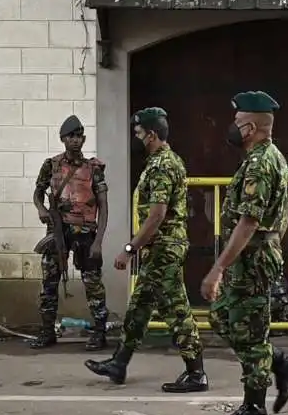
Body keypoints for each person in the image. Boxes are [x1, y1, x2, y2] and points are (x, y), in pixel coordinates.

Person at [201, 91, 288, 415]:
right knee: (222, 317)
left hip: (256, 257)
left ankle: (253, 410)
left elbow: (249, 222)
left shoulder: (262, 163)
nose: (231, 127)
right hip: (252, 256)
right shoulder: (258, 158)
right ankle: (280, 363)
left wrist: (217, 267)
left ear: (249, 127)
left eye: (235, 122)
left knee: (251, 329)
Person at [84, 107, 208, 393]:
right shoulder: (163, 161)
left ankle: (196, 372)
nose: (137, 138)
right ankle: (119, 363)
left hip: (165, 247)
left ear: (152, 134)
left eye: (139, 133)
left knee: (176, 309)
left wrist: (129, 248)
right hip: (162, 247)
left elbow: (157, 214)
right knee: (139, 307)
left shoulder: (163, 164)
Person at [30, 115, 109, 351]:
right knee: (49, 283)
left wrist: (99, 241)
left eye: (78, 136)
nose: (75, 140)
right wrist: (42, 209)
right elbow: (37, 192)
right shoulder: (51, 165)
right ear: (62, 139)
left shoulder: (94, 168)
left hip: (86, 232)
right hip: (58, 230)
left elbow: (103, 206)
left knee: (93, 284)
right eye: (70, 136)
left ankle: (99, 333)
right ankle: (47, 332)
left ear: (83, 139)